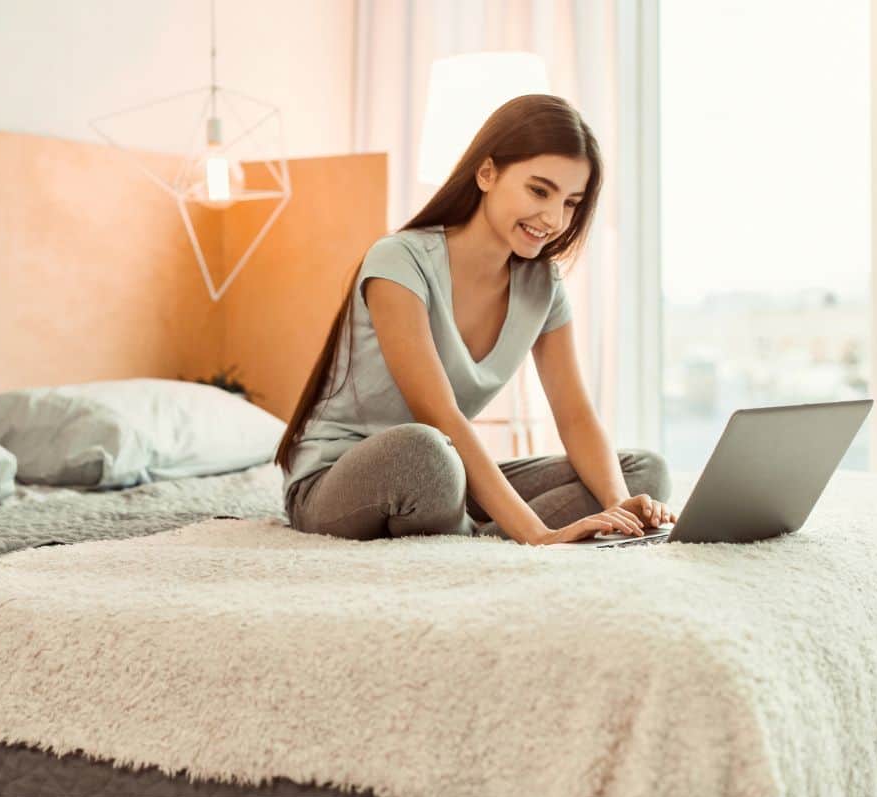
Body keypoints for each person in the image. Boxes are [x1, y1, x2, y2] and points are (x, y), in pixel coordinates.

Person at [274, 94, 676, 546]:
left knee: (643, 473)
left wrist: (617, 505)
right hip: (346, 479)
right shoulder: (399, 261)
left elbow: (575, 415)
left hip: (447, 474)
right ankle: (496, 537)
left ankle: (474, 534)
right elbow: (441, 415)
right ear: (487, 173)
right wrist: (538, 534)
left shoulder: (543, 285)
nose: (553, 218)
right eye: (539, 191)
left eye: (570, 203)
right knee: (425, 454)